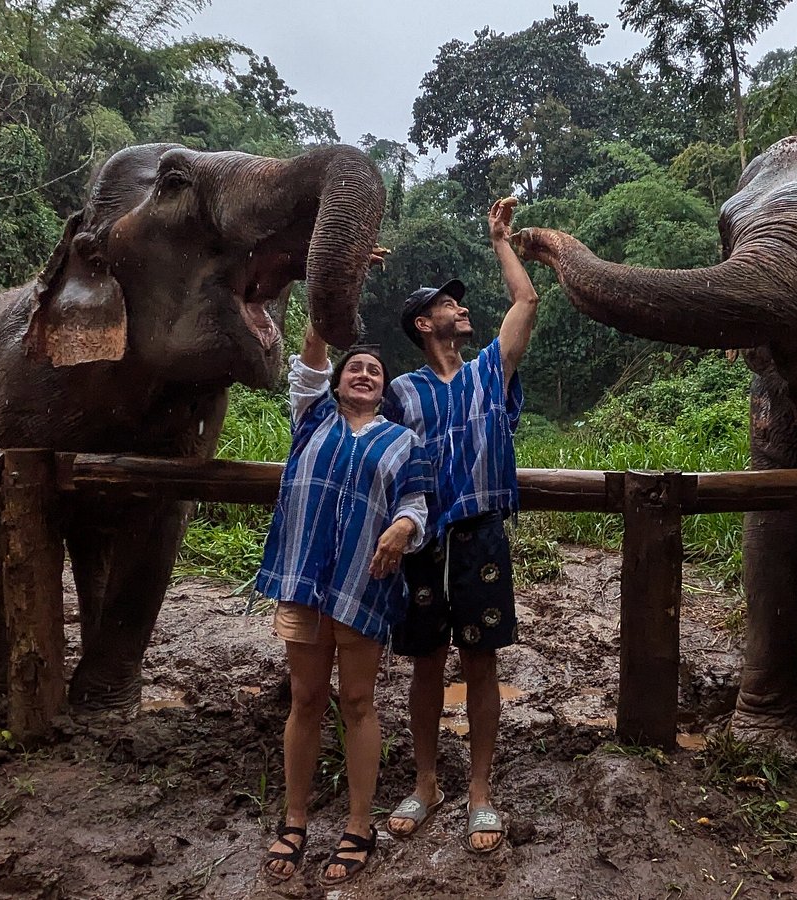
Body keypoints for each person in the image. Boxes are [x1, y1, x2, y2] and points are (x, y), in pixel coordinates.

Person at [384, 197, 538, 854]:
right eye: (448, 304)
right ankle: (426, 783)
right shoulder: (401, 392)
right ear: (424, 323)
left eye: (461, 303)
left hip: (480, 535)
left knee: (480, 662)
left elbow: (526, 302)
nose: (461, 309)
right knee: (425, 667)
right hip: (423, 542)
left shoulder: (487, 373)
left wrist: (500, 238)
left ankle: (480, 791)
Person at [257, 325, 430, 885]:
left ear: (384, 389)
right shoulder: (309, 418)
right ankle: (295, 819)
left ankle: (359, 824)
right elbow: (309, 356)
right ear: (335, 382)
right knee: (305, 699)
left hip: (366, 581)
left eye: (374, 371)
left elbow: (418, 502)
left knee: (358, 700)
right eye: (354, 367)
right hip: (304, 579)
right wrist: (332, 301)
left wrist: (402, 527)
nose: (363, 374)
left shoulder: (403, 443)